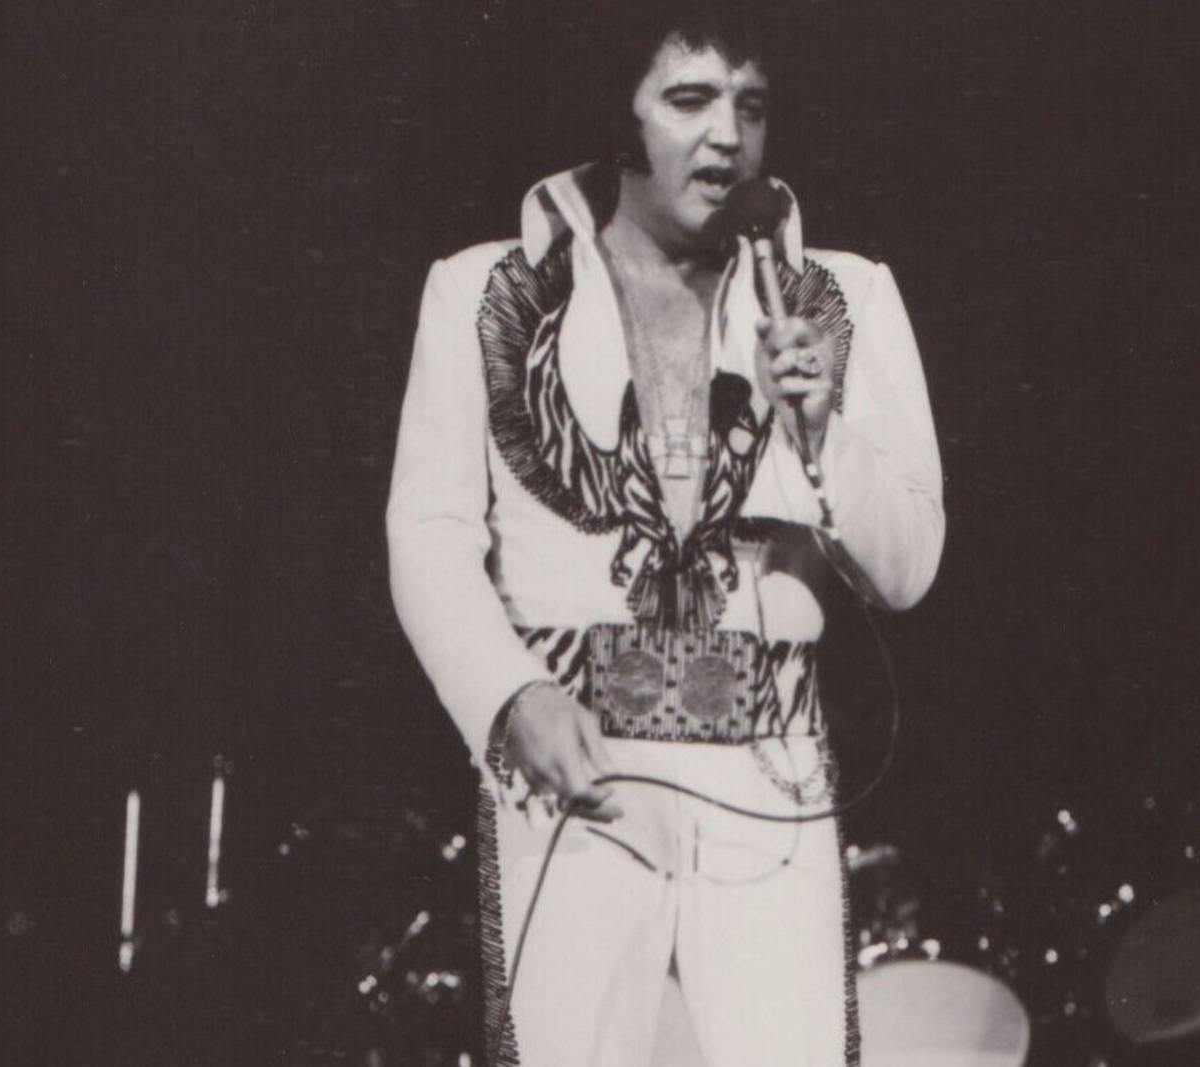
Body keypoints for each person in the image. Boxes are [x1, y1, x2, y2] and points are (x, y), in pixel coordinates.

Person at [387, 9, 943, 1064]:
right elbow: (428, 533)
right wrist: (509, 697)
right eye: (690, 100)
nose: (727, 133)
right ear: (622, 115)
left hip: (771, 770)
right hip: (576, 770)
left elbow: (910, 563)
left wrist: (821, 431)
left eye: (751, 106)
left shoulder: (843, 297)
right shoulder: (482, 289)